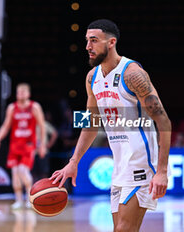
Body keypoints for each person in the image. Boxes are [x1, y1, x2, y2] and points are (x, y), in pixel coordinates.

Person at [50, 19, 171, 232]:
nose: (88, 46)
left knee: (123, 229)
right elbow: (90, 124)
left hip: (141, 162)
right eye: (87, 41)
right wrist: (74, 161)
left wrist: (161, 171)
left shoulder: (132, 74)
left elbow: (163, 120)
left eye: (94, 41)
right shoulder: (91, 78)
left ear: (111, 42)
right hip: (120, 165)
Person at [0, 83, 46, 210]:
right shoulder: (12, 107)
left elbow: (42, 126)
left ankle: (30, 198)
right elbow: (5, 126)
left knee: (22, 170)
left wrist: (42, 145)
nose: (19, 94)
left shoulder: (34, 107)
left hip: (28, 145)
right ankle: (19, 200)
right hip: (15, 145)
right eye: (18, 92)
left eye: (22, 92)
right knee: (15, 173)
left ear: (28, 94)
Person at [32, 111, 58, 180]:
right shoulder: (30, 124)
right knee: (33, 173)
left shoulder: (44, 124)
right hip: (32, 152)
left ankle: (43, 188)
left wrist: (49, 144)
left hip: (43, 152)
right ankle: (33, 189)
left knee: (43, 172)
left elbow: (54, 133)